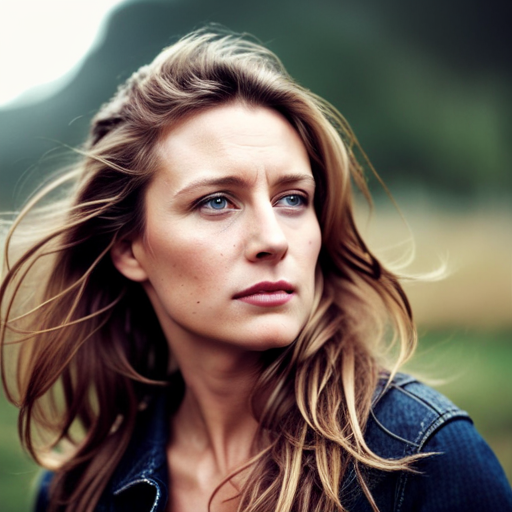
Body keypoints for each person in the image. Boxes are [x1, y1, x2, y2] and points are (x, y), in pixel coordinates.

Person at [1, 29, 511, 512]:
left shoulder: (424, 458)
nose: (272, 239)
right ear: (129, 249)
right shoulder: (81, 490)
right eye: (217, 202)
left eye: (293, 198)